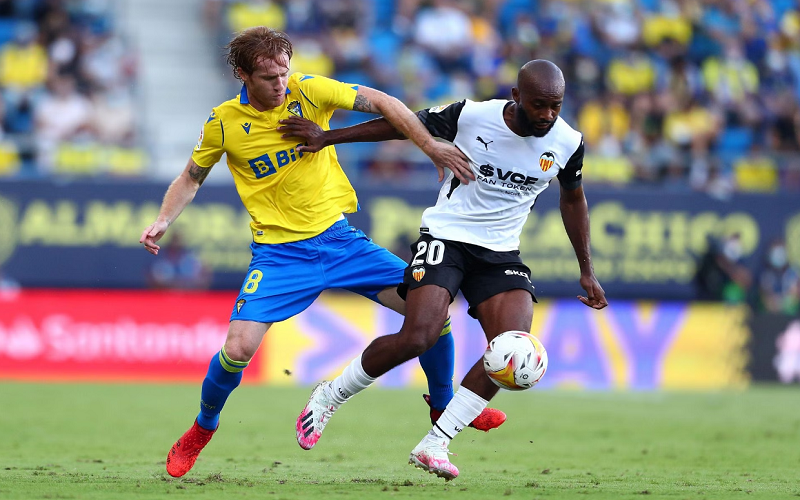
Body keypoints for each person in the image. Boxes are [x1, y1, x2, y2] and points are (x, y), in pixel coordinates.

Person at [138, 27, 505, 479]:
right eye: (269, 77)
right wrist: (164, 219)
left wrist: (429, 145)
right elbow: (191, 177)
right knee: (237, 349)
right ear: (243, 75)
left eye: (284, 72)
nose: (281, 83)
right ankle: (202, 428)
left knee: (431, 308)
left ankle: (442, 404)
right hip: (279, 256)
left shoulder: (309, 90)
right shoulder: (224, 123)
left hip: (341, 242)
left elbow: (385, 102)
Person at [285, 59, 608, 480]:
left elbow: (573, 199)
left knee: (513, 350)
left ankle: (435, 443)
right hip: (447, 237)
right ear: (516, 97)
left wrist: (586, 269)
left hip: (500, 253)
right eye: (539, 105)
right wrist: (329, 137)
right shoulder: (472, 115)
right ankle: (331, 394)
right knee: (419, 336)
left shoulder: (568, 142)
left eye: (556, 106)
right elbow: (403, 126)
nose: (548, 114)